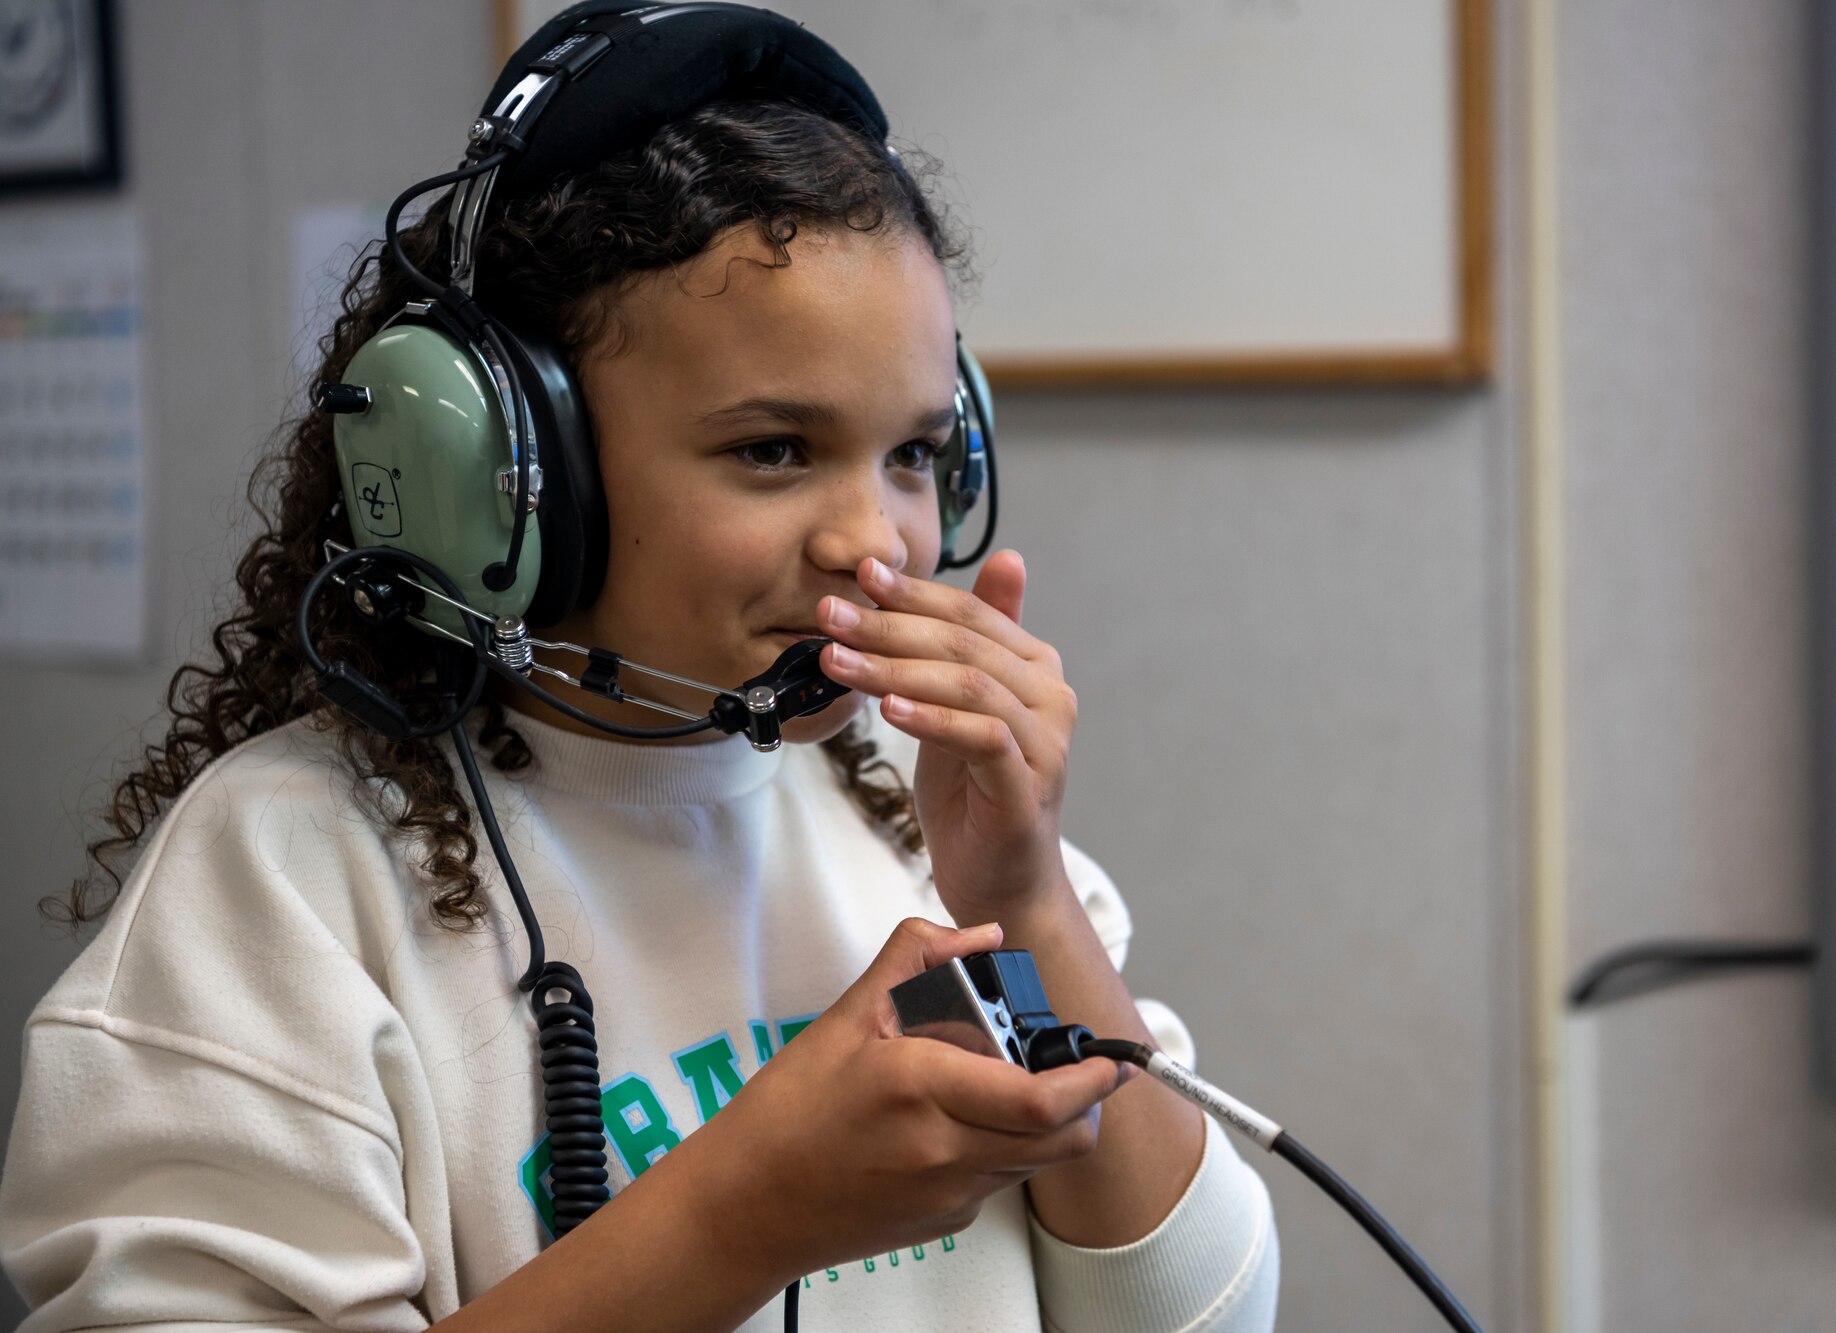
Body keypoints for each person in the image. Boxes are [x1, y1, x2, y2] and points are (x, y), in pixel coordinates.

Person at [0, 10, 1279, 1332]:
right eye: (775, 449)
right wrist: (740, 1218)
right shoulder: (284, 883)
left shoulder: (908, 795)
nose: (880, 541)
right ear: (506, 477)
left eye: (912, 452)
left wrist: (1026, 899)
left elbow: (1204, 1314)